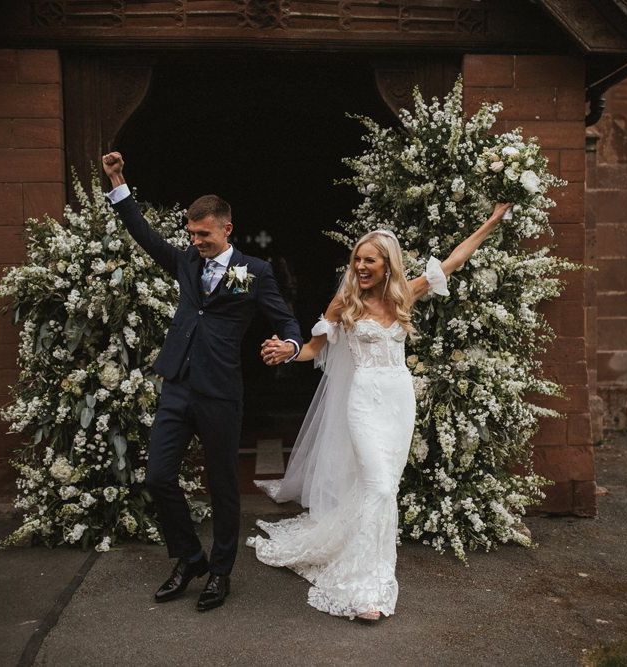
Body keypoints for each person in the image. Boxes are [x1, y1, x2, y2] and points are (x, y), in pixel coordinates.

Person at [251, 203, 511, 621]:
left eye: (368, 259)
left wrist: (492, 221)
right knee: (378, 485)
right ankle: (368, 587)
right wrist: (289, 350)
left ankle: (361, 557)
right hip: (363, 401)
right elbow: (315, 349)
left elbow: (455, 261)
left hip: (398, 400)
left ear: (387, 264)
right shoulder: (344, 304)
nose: (360, 266)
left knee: (384, 486)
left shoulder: (405, 295)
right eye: (357, 259)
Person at [101, 152, 303, 611]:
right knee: (158, 476)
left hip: (220, 391)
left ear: (226, 229)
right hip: (177, 384)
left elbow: (286, 321)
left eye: (204, 234)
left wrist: (289, 348)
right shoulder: (187, 263)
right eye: (191, 235)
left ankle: (220, 571)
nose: (196, 242)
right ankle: (190, 557)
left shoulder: (254, 272)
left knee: (222, 484)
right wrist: (118, 182)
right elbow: (143, 234)